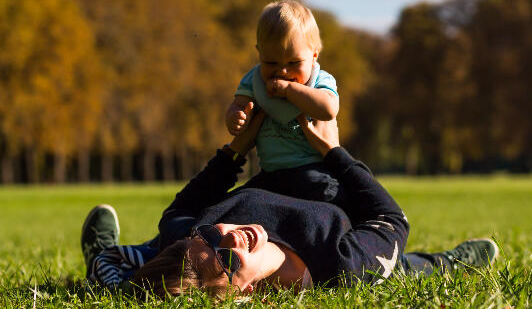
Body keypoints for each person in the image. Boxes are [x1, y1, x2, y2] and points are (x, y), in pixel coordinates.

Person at [81, 112, 499, 297]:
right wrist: (335, 152)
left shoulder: (194, 241)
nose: (229, 236)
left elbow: (177, 214)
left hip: (276, 163)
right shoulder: (341, 265)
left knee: (143, 258)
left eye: (211, 236)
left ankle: (96, 249)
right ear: (241, 297)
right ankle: (449, 263)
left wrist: (235, 151)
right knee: (398, 268)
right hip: (334, 186)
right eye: (225, 263)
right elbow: (391, 218)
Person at [224, 0, 342, 202]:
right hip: (270, 172)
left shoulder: (320, 80)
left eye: (294, 63)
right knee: (242, 198)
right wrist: (235, 117)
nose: (282, 71)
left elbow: (328, 109)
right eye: (271, 62)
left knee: (330, 197)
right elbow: (238, 104)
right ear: (259, 53)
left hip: (313, 170)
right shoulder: (254, 81)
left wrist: (290, 90)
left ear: (314, 56)